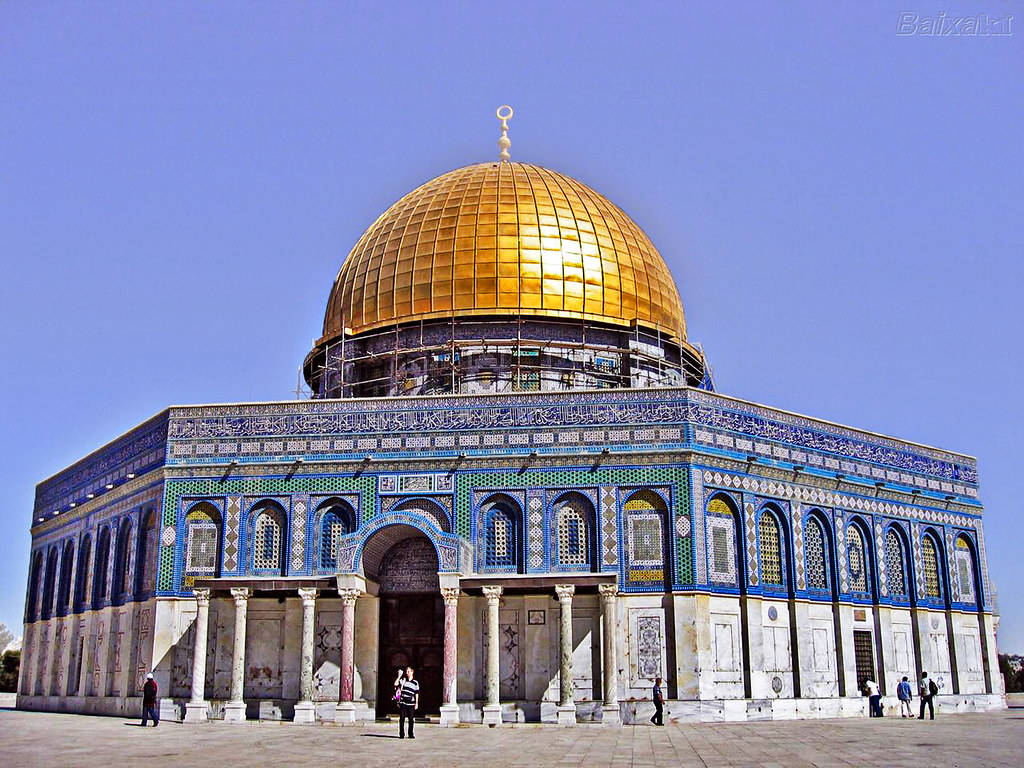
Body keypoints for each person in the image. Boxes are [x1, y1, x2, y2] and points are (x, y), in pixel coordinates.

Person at [396, 666, 419, 739]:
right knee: (402, 718)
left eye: (408, 671)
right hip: (403, 703)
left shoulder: (415, 683)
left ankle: (410, 734)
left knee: (411, 719)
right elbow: (395, 684)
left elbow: (417, 693)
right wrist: (399, 676)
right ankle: (401, 734)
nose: (407, 673)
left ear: (412, 672)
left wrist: (416, 703)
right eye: (406, 671)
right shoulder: (403, 680)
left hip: (411, 703)